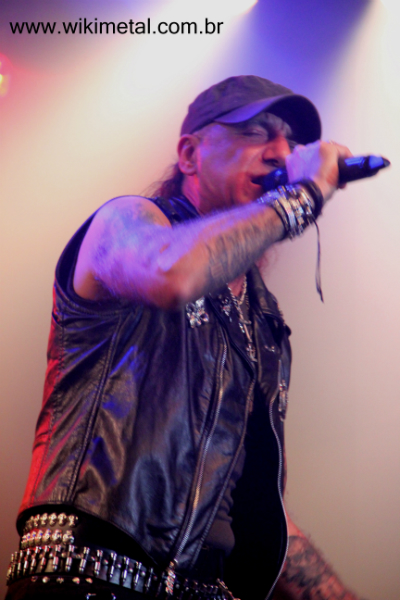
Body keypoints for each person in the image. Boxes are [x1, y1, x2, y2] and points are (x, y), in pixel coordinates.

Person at [5, 76, 366, 600]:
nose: (282, 153)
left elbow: (251, 507)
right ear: (190, 154)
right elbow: (170, 273)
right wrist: (302, 196)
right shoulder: (125, 222)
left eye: (292, 142)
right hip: (87, 577)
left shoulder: (265, 323)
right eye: (257, 131)